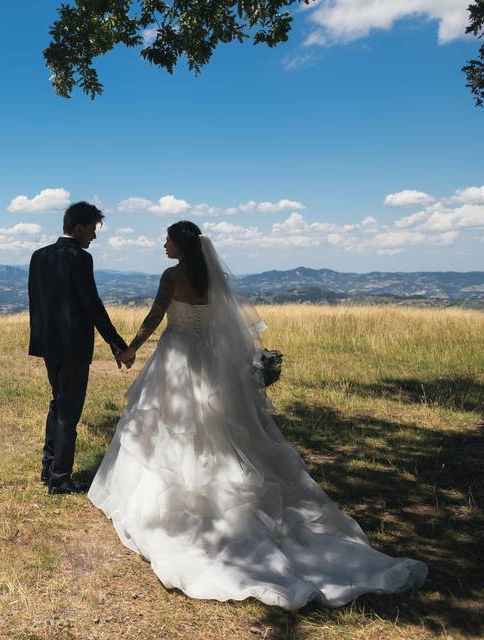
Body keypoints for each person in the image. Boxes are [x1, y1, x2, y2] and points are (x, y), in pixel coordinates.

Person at [88, 220, 427, 609]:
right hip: (210, 362)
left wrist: (129, 349)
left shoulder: (172, 276)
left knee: (169, 424)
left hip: (177, 359)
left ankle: (181, 500)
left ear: (180, 245)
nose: (162, 244)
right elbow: (228, 327)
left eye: (167, 239)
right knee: (219, 426)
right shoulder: (213, 279)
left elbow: (153, 318)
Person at [28, 201, 130, 495]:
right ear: (79, 227)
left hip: (48, 343)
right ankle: (60, 478)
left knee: (57, 403)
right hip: (73, 346)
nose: (94, 237)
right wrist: (117, 344)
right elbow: (93, 306)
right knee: (68, 411)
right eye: (93, 230)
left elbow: (37, 302)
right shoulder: (80, 259)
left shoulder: (39, 256)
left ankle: (49, 468)